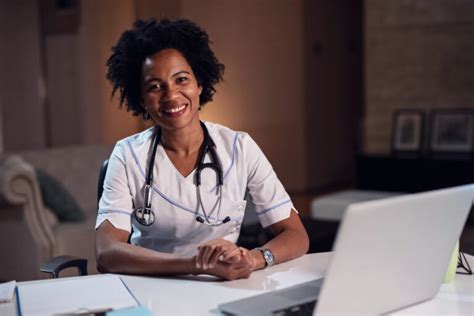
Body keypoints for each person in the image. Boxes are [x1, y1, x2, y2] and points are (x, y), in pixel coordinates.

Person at [95, 18, 309, 280]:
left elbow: (296, 235)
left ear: (200, 85)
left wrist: (253, 259)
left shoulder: (239, 148)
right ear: (142, 100)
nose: (171, 95)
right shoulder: (127, 155)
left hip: (223, 285)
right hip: (151, 287)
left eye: (181, 80)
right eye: (155, 86)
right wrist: (196, 264)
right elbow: (106, 252)